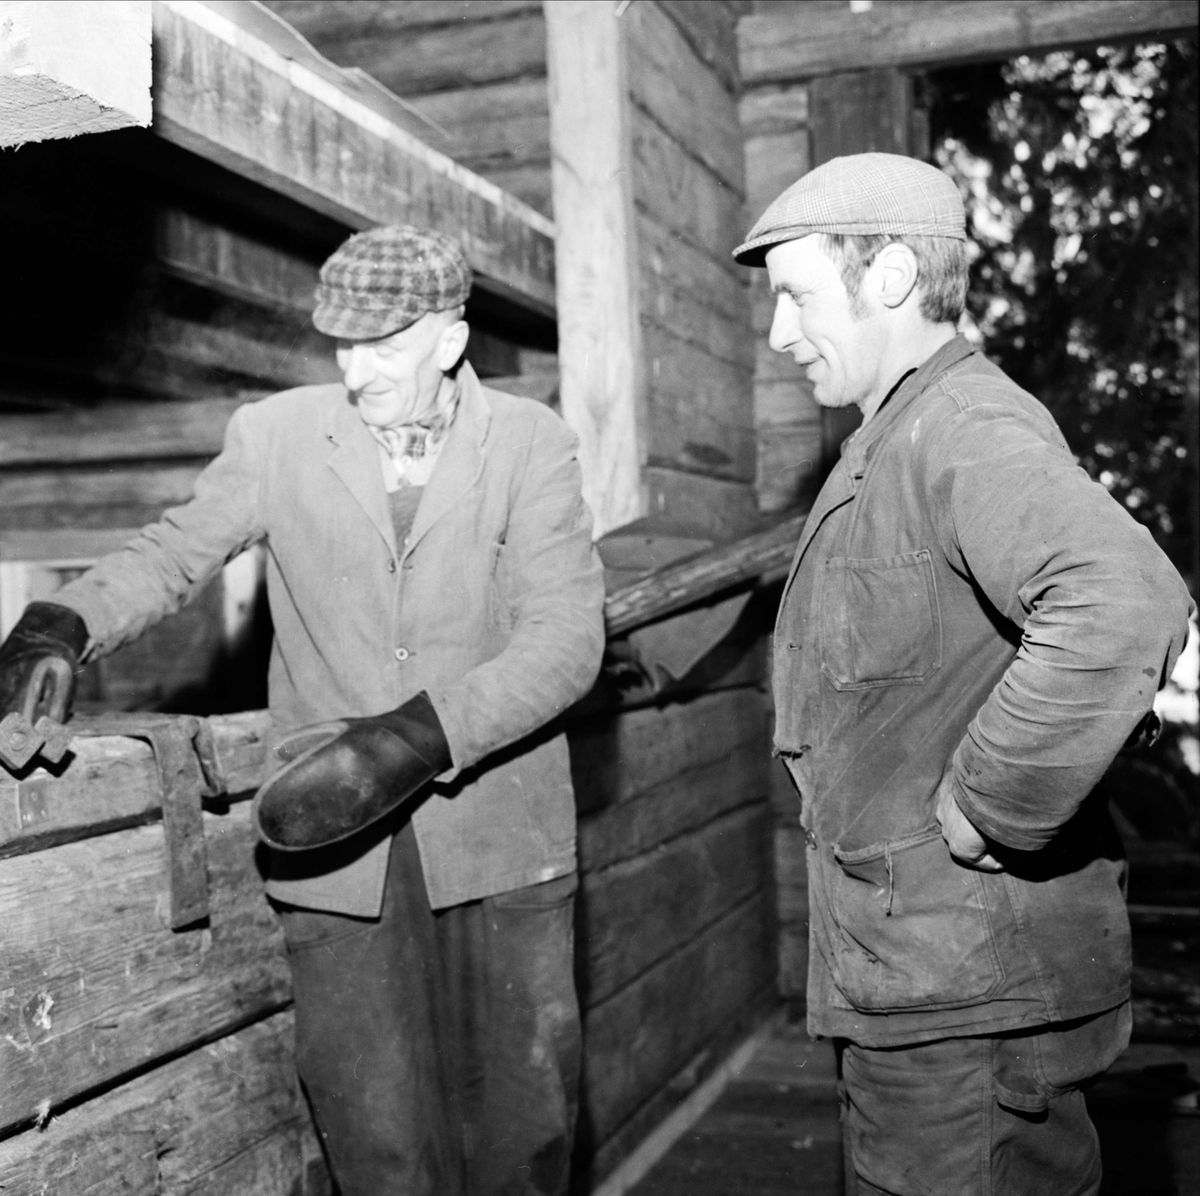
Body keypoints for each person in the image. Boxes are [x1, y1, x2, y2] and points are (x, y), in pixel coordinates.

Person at [0, 226, 606, 1196]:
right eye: (342, 343)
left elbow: (568, 636)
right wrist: (61, 620)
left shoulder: (531, 443)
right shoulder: (278, 435)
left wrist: (419, 734)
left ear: (450, 339)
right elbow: (171, 553)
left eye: (386, 343)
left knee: (522, 1130)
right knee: (376, 1141)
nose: (357, 369)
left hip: (500, 834)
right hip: (333, 847)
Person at [733, 153, 1193, 1196]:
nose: (780, 333)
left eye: (799, 296)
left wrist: (990, 805)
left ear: (889, 275)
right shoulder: (888, 440)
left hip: (968, 1002)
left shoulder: (963, 426)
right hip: (928, 987)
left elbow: (1122, 598)